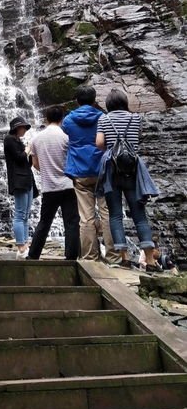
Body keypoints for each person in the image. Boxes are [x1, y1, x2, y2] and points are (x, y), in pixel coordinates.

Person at [96, 89, 158, 272]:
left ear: (108, 104)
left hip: (111, 171)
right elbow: (136, 140)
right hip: (132, 169)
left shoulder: (104, 119)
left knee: (115, 215)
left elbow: (99, 143)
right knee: (139, 215)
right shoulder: (135, 118)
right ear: (124, 101)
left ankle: (124, 259)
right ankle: (150, 260)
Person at [62, 85, 120, 266]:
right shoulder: (103, 118)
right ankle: (114, 256)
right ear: (95, 100)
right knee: (107, 212)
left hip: (80, 171)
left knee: (86, 217)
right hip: (102, 170)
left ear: (77, 101)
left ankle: (90, 257)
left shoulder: (68, 120)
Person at [28, 106, 80, 261]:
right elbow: (73, 160)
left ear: (46, 118)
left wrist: (47, 170)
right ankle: (71, 256)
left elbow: (35, 164)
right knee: (71, 223)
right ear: (62, 118)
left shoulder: (36, 139)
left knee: (44, 222)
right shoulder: (66, 137)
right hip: (68, 185)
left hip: (49, 187)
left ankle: (33, 255)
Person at [3, 115, 36, 259]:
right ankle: (21, 246)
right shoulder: (9, 140)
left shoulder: (18, 141)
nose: (25, 130)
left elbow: (27, 163)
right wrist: (28, 148)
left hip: (27, 180)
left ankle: (25, 244)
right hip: (19, 181)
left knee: (26, 215)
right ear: (17, 128)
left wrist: (29, 151)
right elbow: (20, 158)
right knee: (20, 214)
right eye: (23, 127)